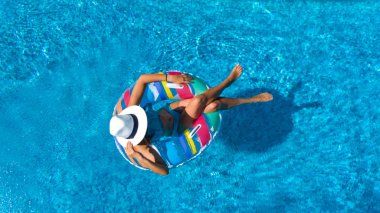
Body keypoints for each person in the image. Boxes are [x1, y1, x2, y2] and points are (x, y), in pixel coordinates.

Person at [109, 64, 273, 176]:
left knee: (212, 107)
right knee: (199, 102)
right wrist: (138, 157)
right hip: (179, 126)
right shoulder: (140, 147)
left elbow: (142, 79)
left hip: (173, 108)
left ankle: (250, 99)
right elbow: (164, 171)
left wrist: (169, 79)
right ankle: (230, 83)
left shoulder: (131, 109)